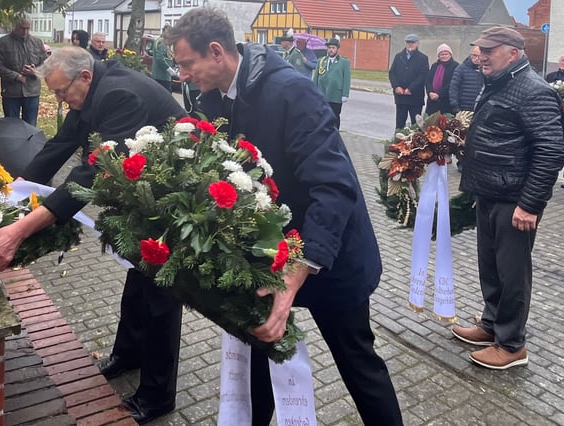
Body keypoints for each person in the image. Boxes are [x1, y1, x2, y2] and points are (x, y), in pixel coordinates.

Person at [165, 8, 402, 425]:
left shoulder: (291, 92)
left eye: (187, 63)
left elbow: (335, 186)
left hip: (327, 251)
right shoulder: (211, 98)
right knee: (258, 352)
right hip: (265, 254)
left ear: (216, 52)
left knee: (358, 362)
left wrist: (300, 268)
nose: (181, 74)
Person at [0, 46, 187, 424]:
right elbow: (59, 146)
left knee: (160, 294)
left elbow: (89, 175)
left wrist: (21, 229)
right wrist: (15, 192)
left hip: (173, 197)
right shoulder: (90, 91)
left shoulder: (119, 94)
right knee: (137, 280)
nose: (59, 99)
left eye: (61, 91)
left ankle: (157, 396)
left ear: (85, 77)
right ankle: (128, 355)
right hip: (145, 193)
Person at [451, 26, 564, 370]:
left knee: (512, 273)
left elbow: (551, 150)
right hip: (490, 192)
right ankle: (492, 324)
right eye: (480, 50)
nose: (482, 56)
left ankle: (512, 344)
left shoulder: (533, 90)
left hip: (515, 200)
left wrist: (530, 204)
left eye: (490, 50)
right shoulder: (498, 82)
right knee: (491, 266)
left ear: (513, 53)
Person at [0, 19, 46, 126]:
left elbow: (45, 64)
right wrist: (16, 76)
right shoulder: (3, 43)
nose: (25, 32)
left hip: (32, 91)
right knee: (11, 126)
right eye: (22, 28)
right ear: (15, 26)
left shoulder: (37, 42)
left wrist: (35, 71)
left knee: (30, 126)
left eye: (27, 28)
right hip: (11, 92)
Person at [389, 33, 429, 129]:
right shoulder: (399, 56)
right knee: (400, 124)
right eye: (408, 42)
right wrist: (396, 86)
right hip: (401, 96)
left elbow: (423, 76)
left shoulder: (423, 58)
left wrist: (411, 89)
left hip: (415, 97)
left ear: (417, 44)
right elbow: (392, 73)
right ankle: (397, 138)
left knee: (416, 125)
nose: (410, 44)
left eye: (412, 42)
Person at [313, 37, 351, 128]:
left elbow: (347, 79)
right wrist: (314, 92)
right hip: (322, 94)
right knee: (322, 116)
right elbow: (315, 78)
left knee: (334, 116)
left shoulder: (344, 62)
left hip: (335, 95)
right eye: (329, 48)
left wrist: (345, 94)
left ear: (337, 49)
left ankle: (335, 133)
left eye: (333, 48)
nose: (331, 50)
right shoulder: (321, 61)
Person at [424, 43, 459, 115]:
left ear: (450, 55)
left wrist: (439, 94)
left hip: (446, 101)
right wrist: (430, 92)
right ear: (438, 56)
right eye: (442, 54)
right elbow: (428, 81)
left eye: (446, 54)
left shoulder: (455, 66)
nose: (444, 56)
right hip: (432, 101)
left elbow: (452, 83)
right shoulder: (434, 66)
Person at [449, 46, 483, 113]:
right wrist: (455, 106)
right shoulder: (461, 69)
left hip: (480, 109)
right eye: (474, 55)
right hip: (463, 108)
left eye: (479, 56)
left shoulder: (488, 69)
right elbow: (454, 88)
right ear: (470, 55)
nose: (477, 58)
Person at [151, 26, 174, 91]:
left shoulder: (163, 42)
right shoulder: (162, 42)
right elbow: (160, 58)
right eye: (168, 32)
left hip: (162, 76)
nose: (170, 34)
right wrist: (169, 69)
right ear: (163, 32)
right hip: (162, 76)